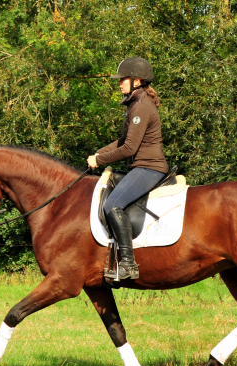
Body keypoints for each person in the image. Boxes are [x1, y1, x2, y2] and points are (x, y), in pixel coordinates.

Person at [87, 57, 169, 280]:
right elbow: (123, 141)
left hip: (149, 168)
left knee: (113, 205)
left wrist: (101, 160)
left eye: (123, 79)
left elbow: (128, 148)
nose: (119, 83)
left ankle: (128, 266)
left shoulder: (141, 106)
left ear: (137, 80)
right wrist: (98, 154)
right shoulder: (136, 103)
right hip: (142, 167)